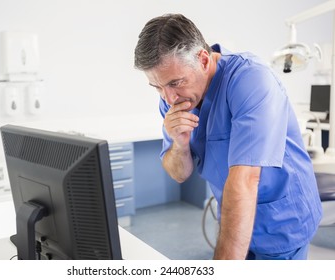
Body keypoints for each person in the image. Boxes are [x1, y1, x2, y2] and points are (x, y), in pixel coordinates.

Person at [134, 13, 322, 260]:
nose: (169, 98)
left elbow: (245, 180)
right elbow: (178, 173)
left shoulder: (251, 80)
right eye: (157, 87)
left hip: (282, 221)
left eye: (175, 83)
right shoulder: (174, 100)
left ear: (203, 59)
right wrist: (179, 145)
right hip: (235, 218)